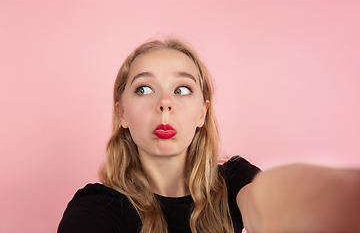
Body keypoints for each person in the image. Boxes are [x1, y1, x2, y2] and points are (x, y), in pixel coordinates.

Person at [58, 37, 360, 233]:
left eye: (182, 89)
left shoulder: (233, 180)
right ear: (122, 112)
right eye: (144, 89)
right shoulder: (98, 205)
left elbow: (266, 203)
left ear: (202, 112)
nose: (165, 102)